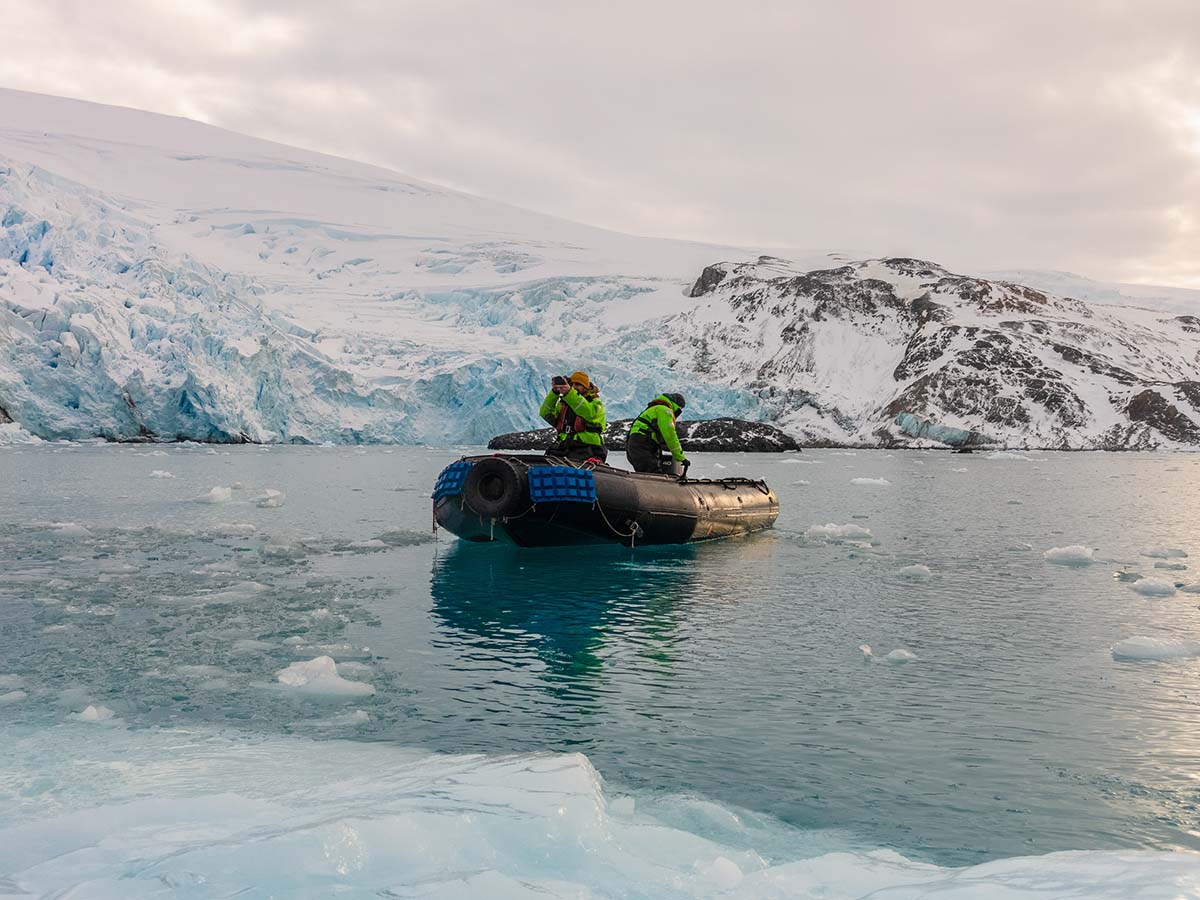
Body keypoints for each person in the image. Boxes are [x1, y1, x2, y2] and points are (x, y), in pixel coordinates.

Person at [538, 371, 607, 463]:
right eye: (572, 384)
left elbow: (588, 414)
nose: (574, 387)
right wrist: (554, 393)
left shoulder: (595, 403)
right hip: (564, 445)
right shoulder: (564, 404)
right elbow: (545, 413)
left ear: (586, 387)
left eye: (578, 384)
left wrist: (569, 393)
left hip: (587, 447)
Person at [626, 392, 688, 474]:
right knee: (652, 473)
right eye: (680, 408)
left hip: (635, 444)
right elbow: (670, 435)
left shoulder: (654, 409)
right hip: (643, 444)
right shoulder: (664, 410)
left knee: (647, 472)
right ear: (676, 405)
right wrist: (681, 458)